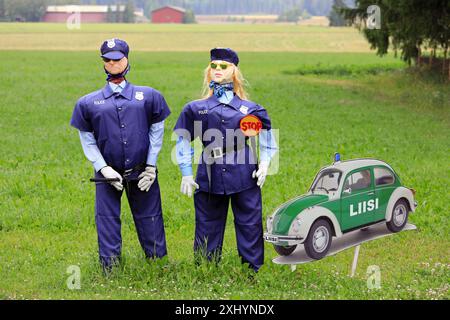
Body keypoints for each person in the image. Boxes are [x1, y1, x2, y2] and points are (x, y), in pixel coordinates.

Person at [70, 38, 171, 272]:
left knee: (150, 216)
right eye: (108, 59)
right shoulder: (87, 102)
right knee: (106, 219)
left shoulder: (149, 97)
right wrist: (103, 168)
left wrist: (151, 167)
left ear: (127, 59)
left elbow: (156, 133)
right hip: (106, 173)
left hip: (141, 170)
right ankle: (110, 268)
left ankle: (158, 265)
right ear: (103, 63)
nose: (113, 63)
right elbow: (87, 140)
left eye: (118, 58)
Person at [173, 48, 278, 272]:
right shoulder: (196, 108)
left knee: (249, 223)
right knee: (207, 223)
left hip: (244, 174)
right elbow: (182, 140)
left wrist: (266, 164)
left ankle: (252, 270)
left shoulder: (250, 110)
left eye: (224, 66)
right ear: (208, 71)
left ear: (234, 71)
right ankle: (205, 268)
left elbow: (267, 139)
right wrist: (186, 172)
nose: (218, 70)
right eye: (214, 66)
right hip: (208, 173)